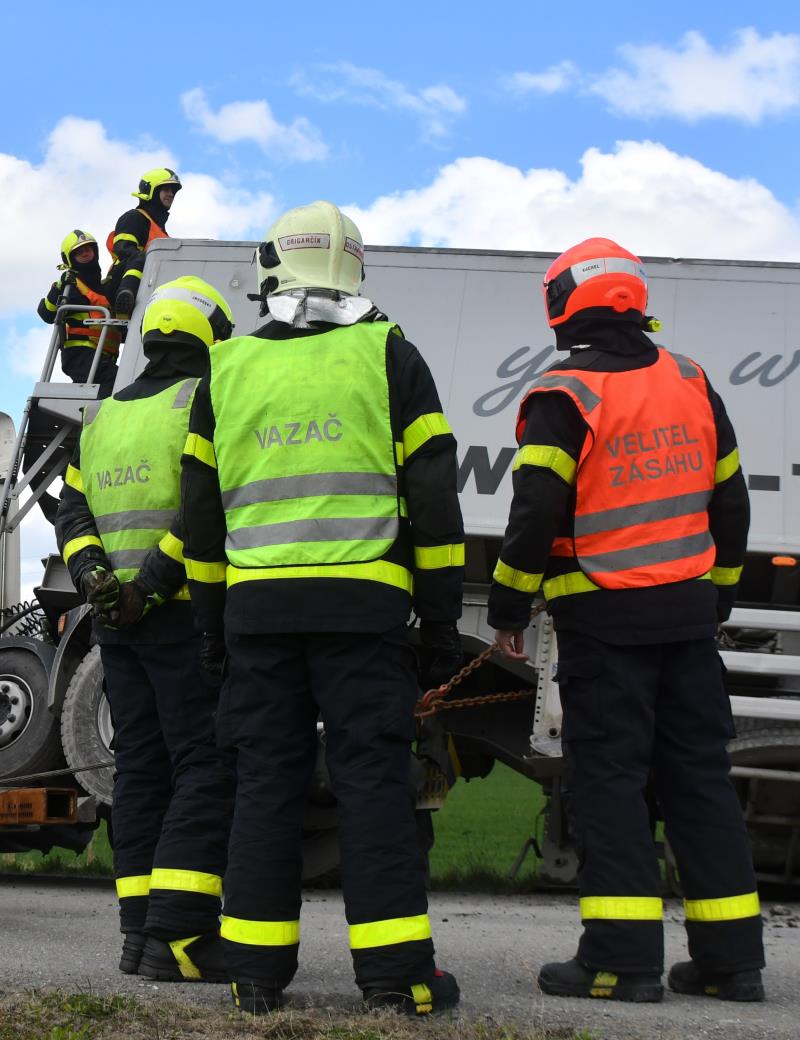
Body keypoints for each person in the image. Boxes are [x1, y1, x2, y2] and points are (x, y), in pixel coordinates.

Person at [166, 200, 464, 1015]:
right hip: (366, 615)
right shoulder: (390, 355)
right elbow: (433, 496)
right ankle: (398, 977)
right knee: (374, 786)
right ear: (354, 267)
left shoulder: (224, 370)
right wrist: (439, 623)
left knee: (265, 784)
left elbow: (201, 518)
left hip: (258, 615)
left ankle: (255, 973)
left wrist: (211, 626)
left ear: (273, 270)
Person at [489, 237, 764, 1003]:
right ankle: (733, 963)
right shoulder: (690, 379)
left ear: (560, 305)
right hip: (686, 619)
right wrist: (718, 597)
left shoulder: (564, 394)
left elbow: (536, 510)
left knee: (608, 784)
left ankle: (620, 960)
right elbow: (732, 503)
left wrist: (508, 607)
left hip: (605, 625)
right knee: (700, 783)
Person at [54, 276, 237, 983]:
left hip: (116, 626)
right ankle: (184, 937)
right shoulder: (203, 399)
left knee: (140, 770)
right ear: (209, 337)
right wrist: (150, 590)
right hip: (181, 613)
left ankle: (138, 935)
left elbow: (72, 515)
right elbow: (202, 510)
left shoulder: (99, 419)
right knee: (204, 765)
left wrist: (99, 581)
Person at [38, 229, 117, 393]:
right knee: (118, 383)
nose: (85, 253)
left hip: (103, 357)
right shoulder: (69, 286)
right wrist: (60, 286)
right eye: (79, 251)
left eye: (88, 249)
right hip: (81, 356)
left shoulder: (104, 288)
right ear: (69, 258)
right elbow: (46, 313)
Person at [106, 169, 180, 316]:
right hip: (120, 284)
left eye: (172, 191)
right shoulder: (134, 217)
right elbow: (123, 249)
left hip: (149, 289)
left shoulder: (161, 232)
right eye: (165, 189)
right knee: (140, 257)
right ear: (150, 190)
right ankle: (125, 298)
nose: (170, 194)